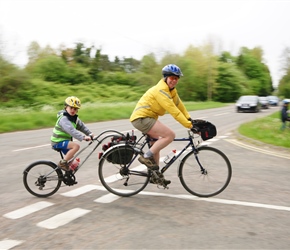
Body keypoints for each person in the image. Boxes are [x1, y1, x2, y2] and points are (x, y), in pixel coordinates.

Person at [130, 64, 195, 185]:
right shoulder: (161, 90)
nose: (174, 81)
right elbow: (173, 111)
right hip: (142, 118)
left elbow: (180, 106)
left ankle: (156, 176)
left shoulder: (171, 91)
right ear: (165, 77)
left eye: (177, 78)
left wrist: (190, 120)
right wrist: (189, 126)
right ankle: (146, 157)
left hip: (148, 117)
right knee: (170, 135)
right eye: (172, 78)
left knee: (156, 145)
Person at [51, 96, 94, 171]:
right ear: (66, 107)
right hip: (57, 141)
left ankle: (67, 176)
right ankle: (62, 163)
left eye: (75, 109)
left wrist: (89, 133)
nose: (73, 110)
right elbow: (71, 130)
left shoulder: (74, 118)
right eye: (71, 108)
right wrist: (83, 137)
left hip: (64, 141)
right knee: (76, 146)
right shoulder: (63, 119)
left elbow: (82, 126)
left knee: (73, 163)